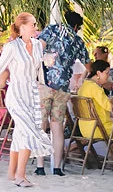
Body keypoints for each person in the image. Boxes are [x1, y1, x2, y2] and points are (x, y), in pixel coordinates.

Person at [0, 12, 53, 188]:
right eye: (33, 25)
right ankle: (21, 175)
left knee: (21, 133)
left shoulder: (38, 46)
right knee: (29, 132)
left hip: (32, 94)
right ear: (22, 27)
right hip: (16, 95)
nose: (36, 28)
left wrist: (46, 68)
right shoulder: (12, 47)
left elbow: (38, 71)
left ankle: (11, 173)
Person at [36, 11, 89, 176]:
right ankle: (57, 167)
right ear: (76, 26)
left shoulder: (51, 30)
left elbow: (38, 50)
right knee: (57, 126)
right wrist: (79, 81)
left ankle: (40, 166)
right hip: (63, 87)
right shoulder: (78, 40)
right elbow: (88, 66)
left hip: (45, 84)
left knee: (41, 126)